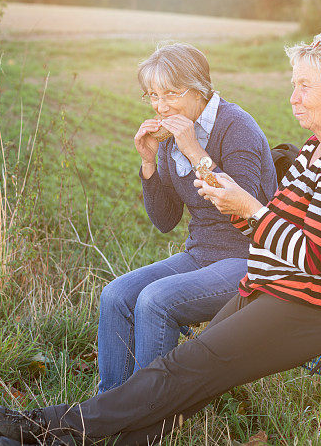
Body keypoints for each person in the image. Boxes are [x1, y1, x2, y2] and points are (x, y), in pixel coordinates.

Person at [0, 30, 321, 446]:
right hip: (279, 288)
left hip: (320, 304)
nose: (293, 97)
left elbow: (312, 255)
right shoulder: (318, 149)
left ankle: (42, 428)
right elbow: (262, 227)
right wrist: (237, 207)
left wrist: (248, 208)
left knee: (185, 367)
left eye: (305, 86)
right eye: (294, 85)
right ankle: (72, 436)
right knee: (187, 379)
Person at [97, 43, 278, 393]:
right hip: (201, 254)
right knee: (115, 295)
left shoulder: (237, 127)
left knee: (155, 300)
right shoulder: (169, 139)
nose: (160, 107)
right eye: (152, 95)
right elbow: (166, 220)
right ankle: (109, 407)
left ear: (199, 89)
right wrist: (149, 163)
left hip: (251, 257)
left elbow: (244, 210)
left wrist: (194, 149)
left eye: (171, 94)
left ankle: (147, 416)